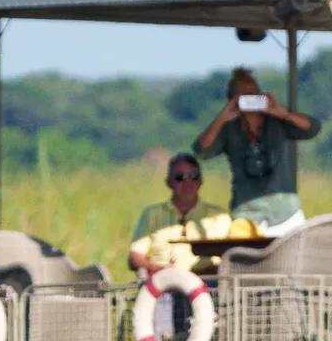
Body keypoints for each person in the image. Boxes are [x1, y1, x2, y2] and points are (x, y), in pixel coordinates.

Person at [195, 67, 321, 231]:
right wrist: (223, 116)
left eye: (254, 95)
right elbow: (202, 149)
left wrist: (283, 113)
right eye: (244, 97)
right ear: (232, 99)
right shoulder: (228, 129)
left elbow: (312, 128)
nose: (250, 100)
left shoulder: (278, 122)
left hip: (285, 213)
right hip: (247, 216)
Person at [127, 153, 227, 272]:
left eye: (194, 177)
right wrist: (156, 269)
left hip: (209, 284)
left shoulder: (218, 216)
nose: (188, 182)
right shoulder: (151, 214)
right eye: (180, 177)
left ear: (200, 181)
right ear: (168, 183)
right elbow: (135, 256)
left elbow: (230, 257)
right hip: (164, 283)